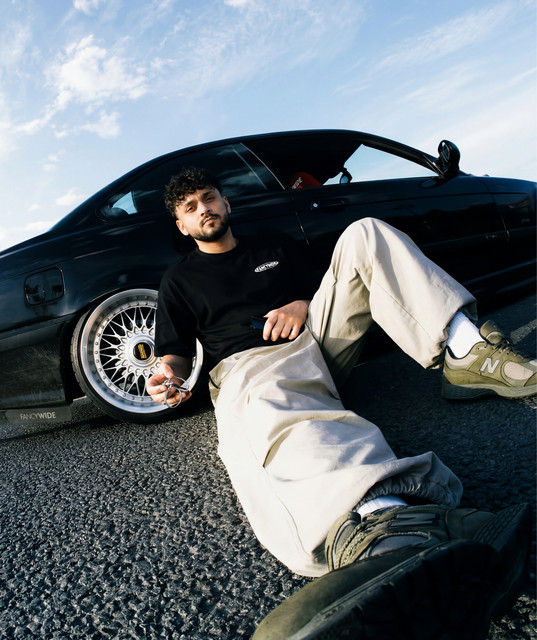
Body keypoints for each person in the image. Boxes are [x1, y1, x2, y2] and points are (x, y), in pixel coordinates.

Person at [147, 167, 535, 640]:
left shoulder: (273, 246)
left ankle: (465, 351)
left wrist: (302, 304)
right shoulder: (178, 280)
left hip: (317, 343)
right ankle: (383, 520)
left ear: (226, 203)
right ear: (182, 225)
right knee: (276, 406)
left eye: (209, 198)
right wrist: (167, 375)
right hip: (250, 366)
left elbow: (332, 287)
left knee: (365, 233)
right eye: (190, 208)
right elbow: (175, 353)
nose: (203, 209)